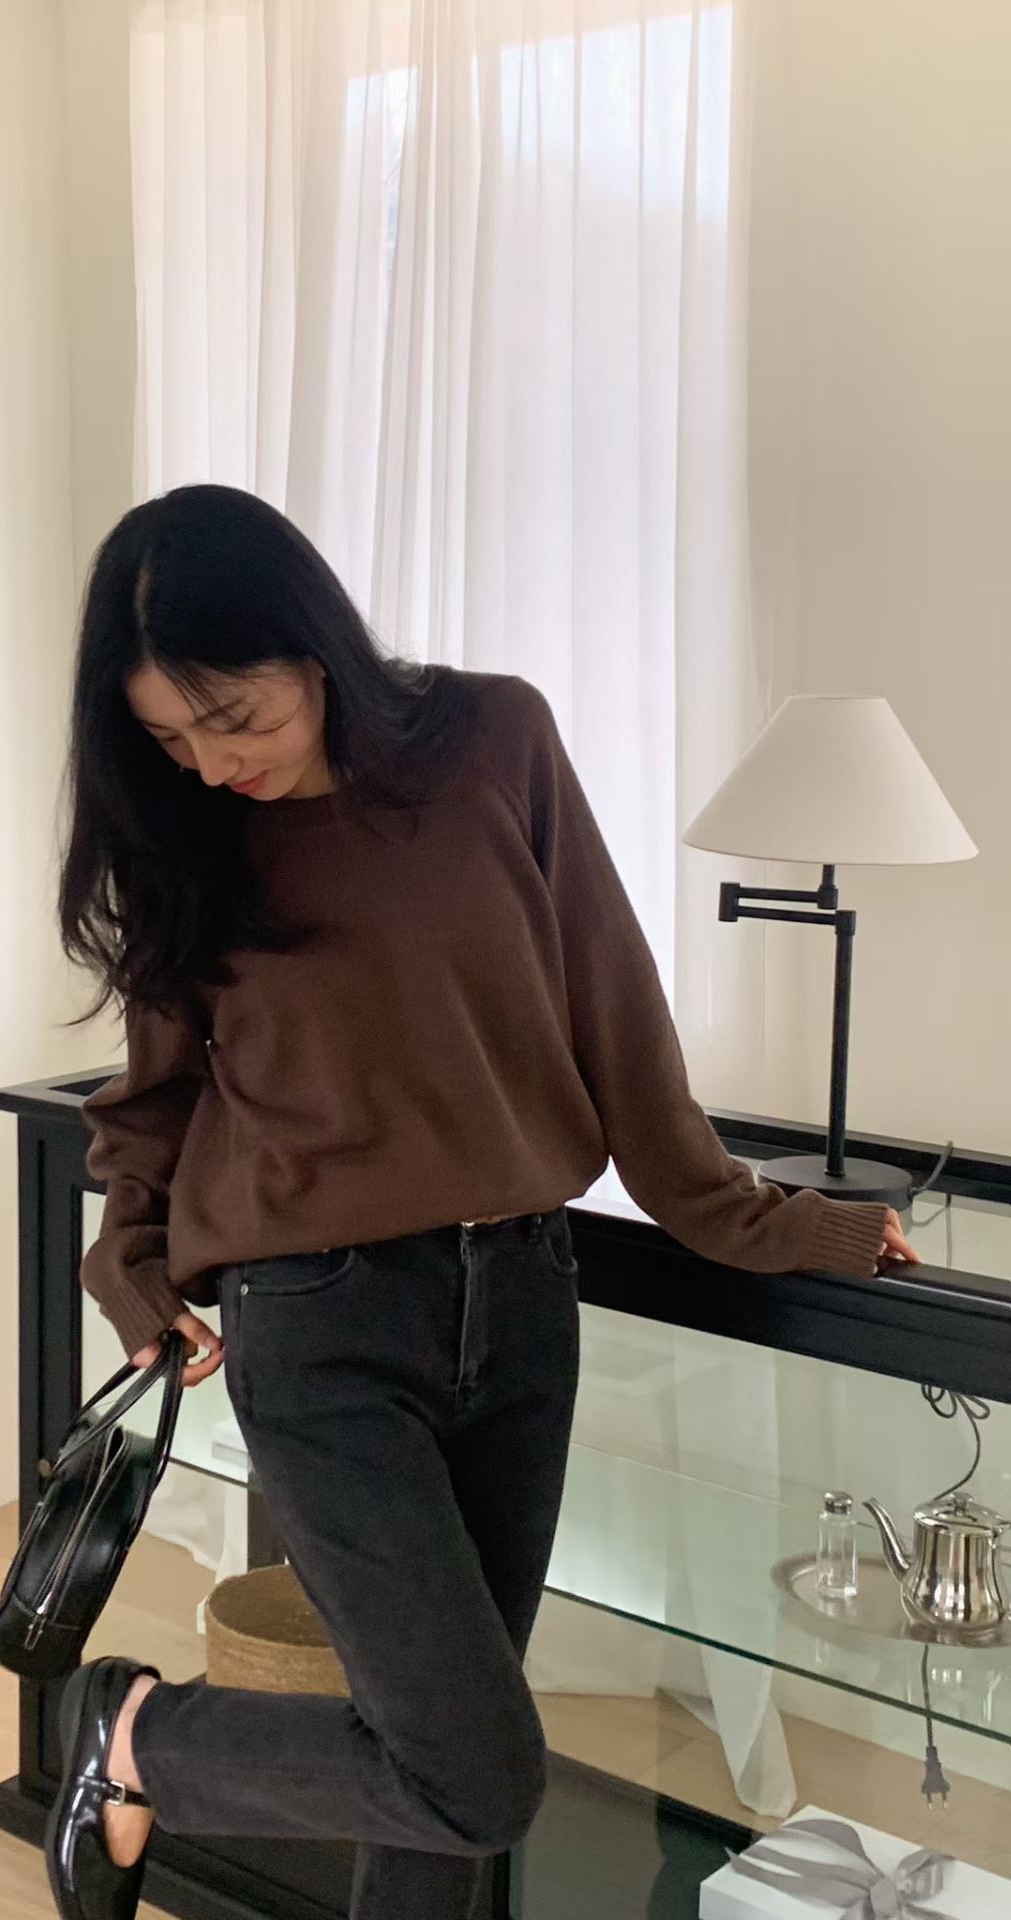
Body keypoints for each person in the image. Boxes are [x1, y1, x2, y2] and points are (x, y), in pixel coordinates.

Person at [45, 482, 918, 1920]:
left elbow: (614, 1011)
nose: (211, 764)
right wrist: (130, 1265)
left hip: (520, 1300)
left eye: (235, 718)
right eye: (169, 739)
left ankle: (141, 1748)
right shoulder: (184, 837)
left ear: (314, 646)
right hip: (316, 1327)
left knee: (437, 1765)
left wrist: (764, 1219)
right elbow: (155, 1092)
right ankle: (138, 1738)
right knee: (476, 1769)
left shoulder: (492, 739)